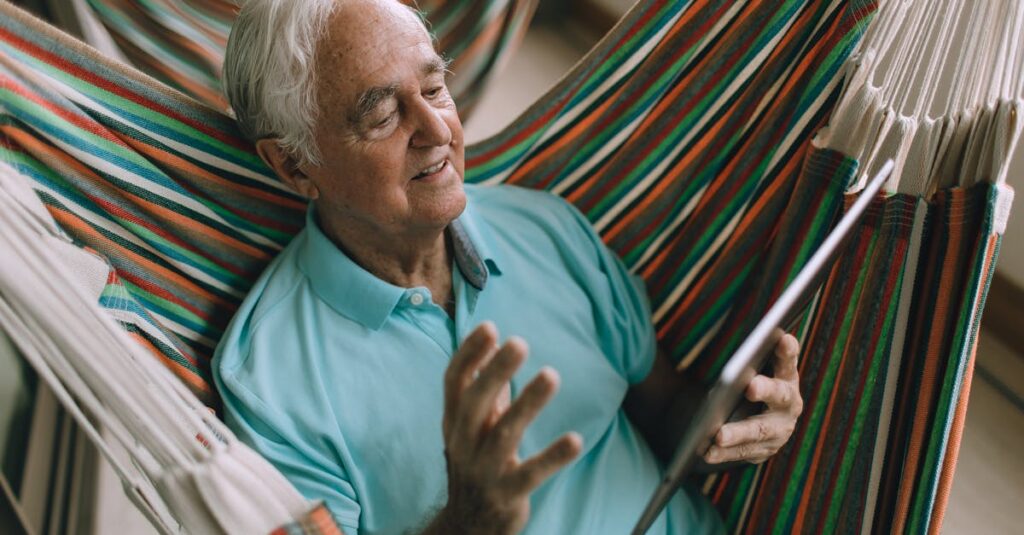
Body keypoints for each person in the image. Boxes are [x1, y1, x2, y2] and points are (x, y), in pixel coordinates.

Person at [213, 0, 804, 533]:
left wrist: (731, 422)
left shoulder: (547, 229)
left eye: (435, 87)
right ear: (294, 166)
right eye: (383, 115)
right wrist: (466, 525)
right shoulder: (270, 385)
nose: (438, 129)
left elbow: (663, 408)